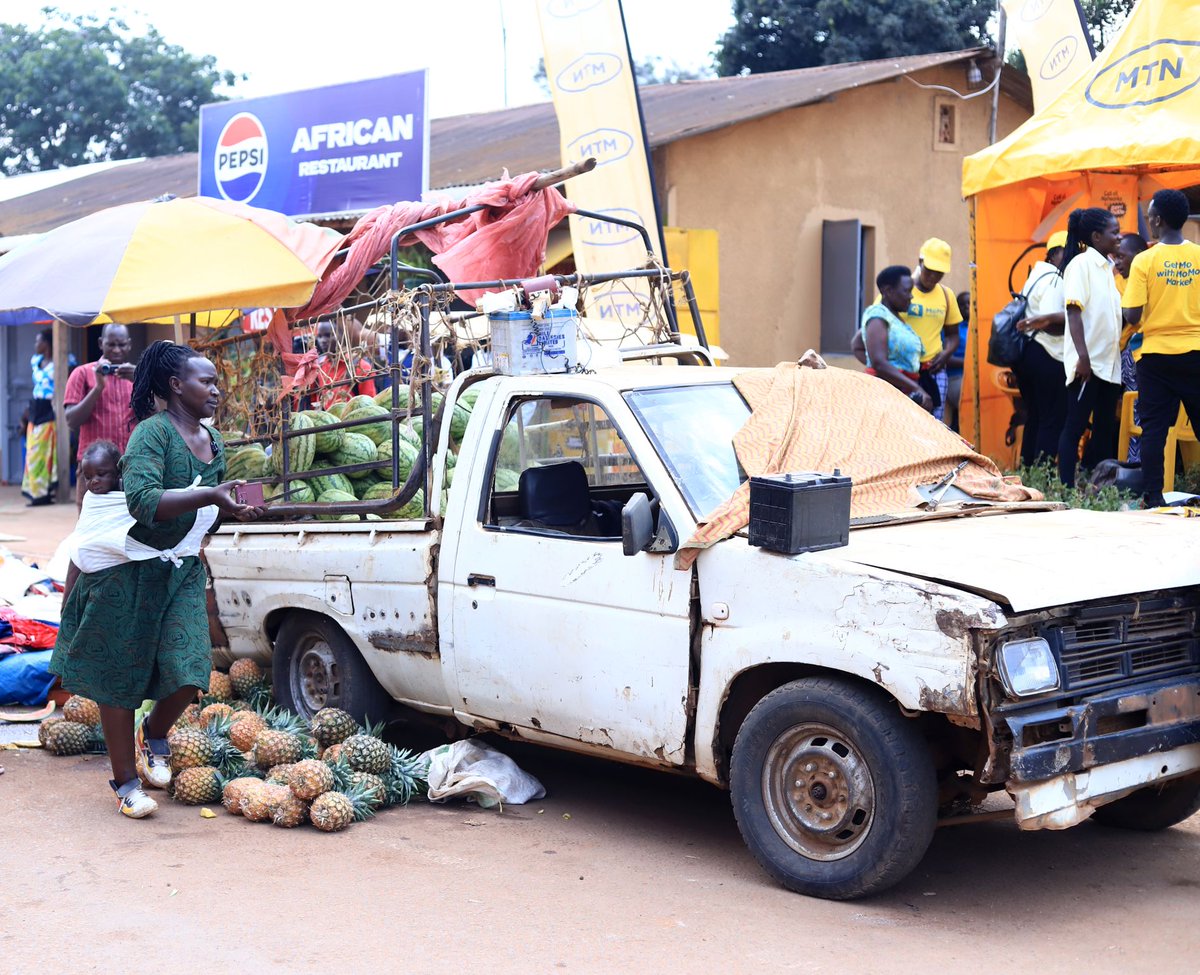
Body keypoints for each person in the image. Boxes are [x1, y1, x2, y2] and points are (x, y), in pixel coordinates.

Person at [50, 341, 264, 819]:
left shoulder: (213, 439)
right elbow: (142, 501)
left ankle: (156, 733)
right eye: (204, 381)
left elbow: (209, 509)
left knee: (190, 669)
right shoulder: (152, 434)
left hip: (179, 569)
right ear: (175, 385)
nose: (215, 389)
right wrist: (211, 492)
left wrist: (235, 509)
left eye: (214, 381)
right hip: (129, 572)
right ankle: (126, 783)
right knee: (120, 678)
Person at [1121, 189, 1200, 507]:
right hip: (1195, 352)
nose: (1149, 220)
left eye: (1151, 215)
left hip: (1155, 357)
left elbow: (1132, 315)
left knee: (1154, 428)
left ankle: (1153, 496)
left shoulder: (1145, 261)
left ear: (1159, 220)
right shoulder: (1198, 255)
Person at [851, 238, 961, 421]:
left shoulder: (946, 296)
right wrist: (883, 369)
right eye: (930, 270)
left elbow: (953, 336)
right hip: (898, 376)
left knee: (932, 426)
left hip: (930, 371)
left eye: (939, 273)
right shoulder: (894, 293)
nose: (933, 276)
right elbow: (864, 339)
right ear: (920, 262)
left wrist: (945, 354)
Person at [1057, 207, 1124, 487]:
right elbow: (1074, 312)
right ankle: (1067, 488)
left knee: (1105, 429)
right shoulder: (1081, 265)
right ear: (1097, 236)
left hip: (1108, 365)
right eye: (1114, 232)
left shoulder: (1107, 268)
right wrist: (1083, 358)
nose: (1119, 237)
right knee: (1075, 426)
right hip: (1088, 364)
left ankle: (1097, 485)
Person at [64, 323, 136, 509]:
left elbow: (154, 416)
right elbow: (71, 420)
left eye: (121, 345)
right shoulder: (82, 373)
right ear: (100, 343)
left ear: (129, 345)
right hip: (94, 471)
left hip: (130, 466)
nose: (116, 350)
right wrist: (98, 388)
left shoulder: (136, 376)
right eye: (111, 344)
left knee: (130, 523)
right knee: (90, 525)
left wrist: (140, 381)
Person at [1013, 231, 1070, 466]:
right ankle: (1043, 475)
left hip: (1028, 354)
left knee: (1035, 416)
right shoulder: (1054, 279)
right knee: (1051, 419)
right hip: (1047, 355)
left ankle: (1028, 470)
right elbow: (1047, 320)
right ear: (1056, 253)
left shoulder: (1036, 275)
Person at [859, 265, 933, 411]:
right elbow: (878, 362)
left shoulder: (895, 319)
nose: (911, 296)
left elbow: (857, 345)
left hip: (901, 393)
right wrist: (914, 387)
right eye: (907, 291)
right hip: (884, 397)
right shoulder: (877, 316)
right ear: (888, 291)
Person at [21, 329, 69, 506]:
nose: (35, 345)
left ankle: (43, 494)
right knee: (33, 453)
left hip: (49, 409)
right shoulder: (37, 362)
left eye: (37, 341)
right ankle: (36, 492)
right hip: (35, 408)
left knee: (45, 453)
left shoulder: (60, 363)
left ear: (46, 344)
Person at [1114, 233, 1149, 463]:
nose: (1117, 262)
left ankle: (1136, 466)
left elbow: (1132, 316)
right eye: (1115, 257)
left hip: (1143, 352)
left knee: (1141, 415)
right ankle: (1135, 465)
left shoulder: (1142, 274)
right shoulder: (1117, 281)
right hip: (1129, 352)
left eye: (1121, 256)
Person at [304, 319, 377, 410]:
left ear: (341, 335)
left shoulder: (360, 366)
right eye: (319, 336)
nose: (323, 340)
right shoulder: (319, 368)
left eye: (328, 335)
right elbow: (314, 403)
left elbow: (370, 404)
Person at [943, 291, 970, 432]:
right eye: (963, 304)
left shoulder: (977, 326)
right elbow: (945, 358)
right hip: (955, 377)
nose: (967, 307)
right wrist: (969, 363)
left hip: (974, 377)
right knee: (970, 399)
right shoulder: (952, 328)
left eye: (970, 303)